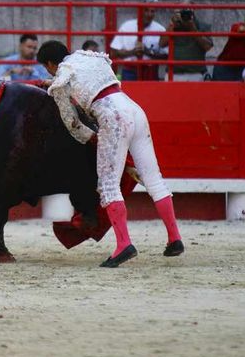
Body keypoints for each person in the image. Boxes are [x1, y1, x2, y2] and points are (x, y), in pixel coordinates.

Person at [36, 40, 185, 267]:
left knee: (108, 186)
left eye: (47, 68)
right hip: (134, 110)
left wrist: (93, 139)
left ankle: (124, 244)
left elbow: (72, 123)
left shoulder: (60, 81)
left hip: (112, 118)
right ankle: (175, 239)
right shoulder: (91, 58)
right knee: (154, 179)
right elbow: (85, 81)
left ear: (50, 64)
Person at [109, 0, 168, 81]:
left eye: (152, 11)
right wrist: (133, 52)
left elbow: (166, 56)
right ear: (140, 11)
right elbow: (113, 52)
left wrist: (148, 52)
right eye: (146, 10)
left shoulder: (160, 29)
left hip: (150, 72)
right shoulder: (126, 26)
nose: (149, 14)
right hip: (129, 71)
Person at [163, 7, 213, 82]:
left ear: (193, 10)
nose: (185, 14)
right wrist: (171, 27)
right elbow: (161, 43)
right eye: (182, 11)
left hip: (196, 73)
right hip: (174, 73)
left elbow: (207, 46)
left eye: (187, 11)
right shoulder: (174, 25)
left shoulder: (202, 26)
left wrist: (193, 30)